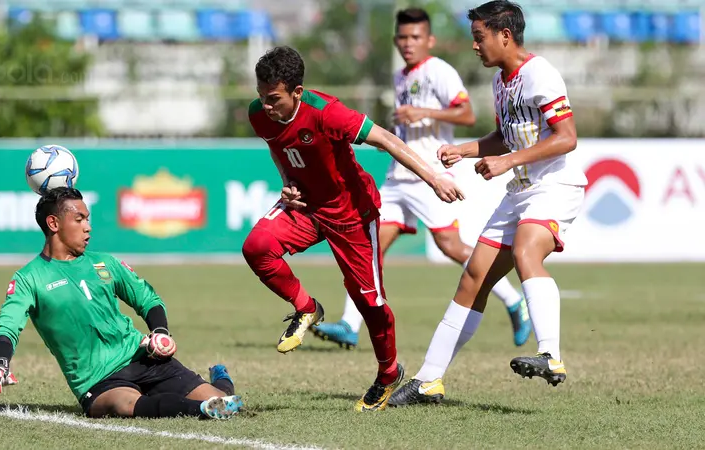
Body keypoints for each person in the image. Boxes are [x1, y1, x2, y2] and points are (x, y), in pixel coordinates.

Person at [243, 46, 464, 412]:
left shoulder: (329, 113)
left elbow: (389, 140)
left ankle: (388, 373)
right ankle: (306, 307)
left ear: (297, 92)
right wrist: (287, 182)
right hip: (306, 207)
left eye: (274, 99)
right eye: (261, 96)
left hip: (352, 214)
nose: (266, 105)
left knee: (369, 301)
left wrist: (434, 178)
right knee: (257, 246)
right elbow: (278, 149)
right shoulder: (260, 115)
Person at [389, 0, 588, 406]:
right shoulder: (501, 81)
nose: (475, 47)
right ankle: (428, 381)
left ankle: (551, 354)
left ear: (505, 35)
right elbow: (506, 135)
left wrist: (507, 161)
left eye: (479, 38)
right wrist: (463, 150)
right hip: (518, 192)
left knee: (526, 251)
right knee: (472, 278)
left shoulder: (540, 73)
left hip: (554, 186)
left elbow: (566, 136)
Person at [311, 7, 531, 351]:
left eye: (415, 37)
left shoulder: (439, 71)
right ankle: (351, 325)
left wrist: (423, 112)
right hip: (399, 177)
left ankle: (513, 300)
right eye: (402, 37)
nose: (407, 43)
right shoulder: (401, 75)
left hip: (430, 174)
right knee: (369, 247)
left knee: (450, 246)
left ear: (429, 40)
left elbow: (467, 112)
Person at [0, 187, 242, 420]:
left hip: (141, 356)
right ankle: (204, 411)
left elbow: (148, 299)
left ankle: (220, 379)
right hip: (99, 379)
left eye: (88, 219)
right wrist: (0, 364)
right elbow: (6, 327)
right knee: (125, 405)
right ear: (53, 224)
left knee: (223, 397)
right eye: (79, 219)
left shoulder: (104, 262)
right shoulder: (29, 278)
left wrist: (159, 332)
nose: (88, 226)